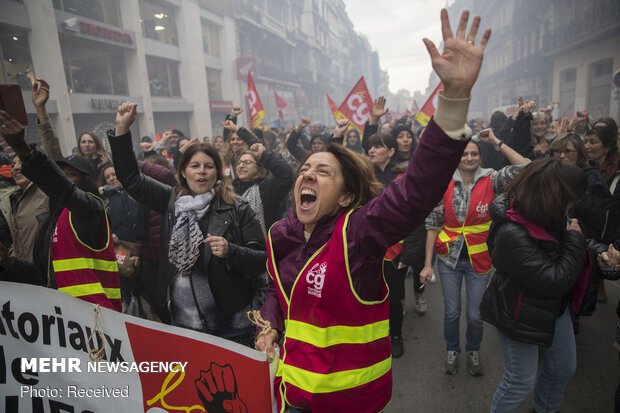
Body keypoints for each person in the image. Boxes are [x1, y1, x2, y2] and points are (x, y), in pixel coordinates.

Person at [255, 9, 491, 412]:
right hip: (291, 392)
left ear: (346, 197)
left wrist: (453, 99)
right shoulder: (280, 233)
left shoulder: (359, 233)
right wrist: (269, 324)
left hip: (351, 401)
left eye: (323, 171)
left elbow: (415, 192)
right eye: (304, 169)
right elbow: (280, 291)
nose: (308, 175)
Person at [107, 108, 267, 346]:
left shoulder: (237, 207)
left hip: (232, 327)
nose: (202, 171)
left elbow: (262, 259)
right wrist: (122, 131)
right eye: (195, 166)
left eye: (208, 166)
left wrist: (230, 251)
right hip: (185, 326)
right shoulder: (171, 202)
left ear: (218, 172)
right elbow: (131, 179)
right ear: (183, 171)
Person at [481, 158, 589, 413]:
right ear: (554, 195)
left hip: (554, 308)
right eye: (572, 199)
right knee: (519, 381)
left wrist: (603, 254)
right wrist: (576, 240)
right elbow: (554, 280)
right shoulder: (513, 233)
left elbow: (570, 242)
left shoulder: (547, 214)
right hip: (518, 313)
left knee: (563, 368)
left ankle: (545, 409)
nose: (575, 205)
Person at [421, 127, 528, 377]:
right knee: (451, 313)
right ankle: (452, 349)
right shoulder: (442, 182)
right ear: (456, 158)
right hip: (448, 259)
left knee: (475, 316)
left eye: (474, 154)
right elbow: (433, 225)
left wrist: (495, 141)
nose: (469, 158)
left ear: (481, 157)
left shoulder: (492, 179)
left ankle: (473, 349)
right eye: (464, 154)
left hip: (480, 260)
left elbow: (525, 168)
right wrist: (427, 265)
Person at [0, 110, 121, 311]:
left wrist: (24, 150)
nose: (65, 179)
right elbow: (41, 279)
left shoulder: (91, 210)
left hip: (97, 322)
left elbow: (65, 190)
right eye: (61, 174)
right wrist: (9, 264)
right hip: (61, 323)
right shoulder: (47, 222)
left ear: (86, 181)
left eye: (71, 174)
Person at [585, 123, 619, 303]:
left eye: (592, 142)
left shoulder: (617, 172)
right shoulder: (586, 168)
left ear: (607, 146)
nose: (587, 146)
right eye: (586, 141)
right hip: (591, 226)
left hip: (612, 228)